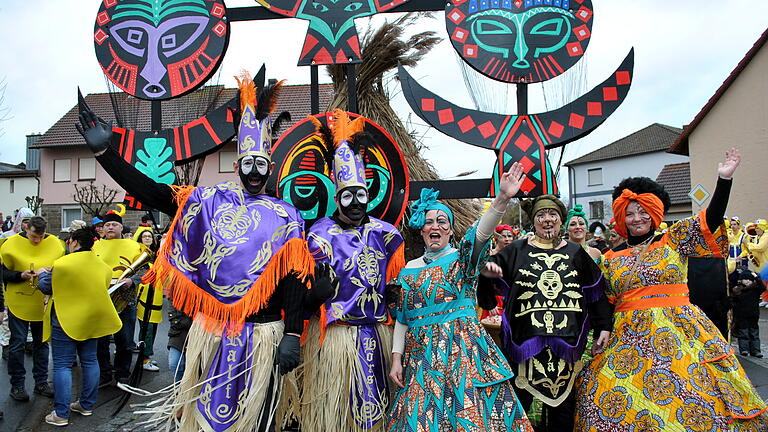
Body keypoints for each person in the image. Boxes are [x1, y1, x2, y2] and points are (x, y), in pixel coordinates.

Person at [77, 71, 311, 431]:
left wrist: (293, 334)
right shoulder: (207, 200)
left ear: (270, 169)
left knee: (259, 418)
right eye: (247, 164)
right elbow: (153, 192)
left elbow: (296, 279)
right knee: (205, 415)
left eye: (260, 165)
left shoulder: (287, 217)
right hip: (212, 333)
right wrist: (106, 154)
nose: (253, 172)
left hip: (265, 334)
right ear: (237, 167)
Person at [574, 148, 768, 430]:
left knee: (693, 395)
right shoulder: (610, 258)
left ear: (654, 212)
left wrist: (724, 180)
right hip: (627, 339)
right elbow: (604, 300)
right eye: (629, 213)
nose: (636, 218)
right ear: (620, 217)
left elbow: (710, 220)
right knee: (607, 396)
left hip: (679, 332)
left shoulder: (673, 239)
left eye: (642, 211)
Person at [387, 162, 534, 432]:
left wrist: (501, 200)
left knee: (468, 415)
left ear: (451, 231)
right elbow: (403, 319)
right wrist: (396, 359)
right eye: (429, 221)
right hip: (421, 359)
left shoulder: (462, 260)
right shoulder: (408, 269)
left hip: (463, 352)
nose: (435, 226)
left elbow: (480, 234)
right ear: (421, 230)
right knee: (421, 419)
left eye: (442, 221)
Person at [300, 110, 404, 432]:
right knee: (337, 415)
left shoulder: (386, 234)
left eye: (361, 195)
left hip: (377, 334)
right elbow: (304, 287)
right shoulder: (319, 235)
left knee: (379, 414)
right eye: (349, 195)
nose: (356, 202)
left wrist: (393, 293)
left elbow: (395, 284)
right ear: (337, 197)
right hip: (335, 336)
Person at [480, 195, 612, 432]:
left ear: (561, 221)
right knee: (518, 411)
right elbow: (487, 273)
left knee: (563, 415)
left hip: (566, 345)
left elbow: (595, 292)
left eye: (553, 215)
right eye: (541, 215)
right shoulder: (516, 251)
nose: (547, 220)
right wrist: (488, 295)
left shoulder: (575, 253)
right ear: (534, 221)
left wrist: (604, 326)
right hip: (525, 344)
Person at [36, 227, 123, 426]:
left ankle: (61, 413)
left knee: (63, 365)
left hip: (64, 320)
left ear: (74, 242)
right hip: (92, 319)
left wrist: (42, 273)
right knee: (91, 361)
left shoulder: (61, 264)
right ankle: (86, 405)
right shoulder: (102, 265)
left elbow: (46, 286)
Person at [0, 215, 64, 401]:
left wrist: (51, 271)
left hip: (42, 301)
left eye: (41, 237)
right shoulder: (10, 244)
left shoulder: (56, 244)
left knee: (42, 343)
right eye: (34, 236)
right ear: (26, 228)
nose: (37, 241)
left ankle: (41, 382)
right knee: (18, 343)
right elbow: (3, 273)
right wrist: (21, 275)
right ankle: (17, 385)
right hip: (18, 300)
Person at [92, 209, 144, 386]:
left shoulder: (133, 246)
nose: (110, 227)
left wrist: (132, 280)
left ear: (121, 227)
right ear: (102, 228)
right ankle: (104, 373)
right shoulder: (95, 246)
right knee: (101, 340)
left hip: (125, 298)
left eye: (114, 224)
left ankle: (122, 373)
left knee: (125, 339)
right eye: (107, 225)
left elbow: (145, 269)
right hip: (101, 298)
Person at [132, 226, 162, 372]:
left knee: (152, 327)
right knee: (147, 328)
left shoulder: (154, 255)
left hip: (155, 296)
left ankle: (147, 354)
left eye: (150, 236)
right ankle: (144, 358)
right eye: (145, 236)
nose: (148, 238)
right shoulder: (138, 254)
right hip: (144, 296)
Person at [730, 266, 764, 358]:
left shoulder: (755, 289)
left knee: (754, 333)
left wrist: (756, 277)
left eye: (749, 279)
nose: (747, 281)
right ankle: (744, 350)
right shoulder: (737, 290)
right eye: (745, 279)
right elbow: (734, 302)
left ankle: (756, 351)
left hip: (753, 314)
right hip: (741, 315)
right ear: (741, 280)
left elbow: (762, 287)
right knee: (743, 333)